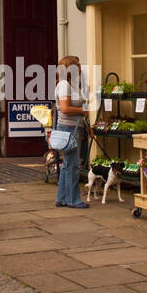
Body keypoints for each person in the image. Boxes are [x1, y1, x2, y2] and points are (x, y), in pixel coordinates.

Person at [51, 54, 91, 209]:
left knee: (68, 165)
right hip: (67, 128)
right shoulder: (64, 85)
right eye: (78, 65)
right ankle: (73, 200)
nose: (80, 68)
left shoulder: (71, 85)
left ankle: (62, 198)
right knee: (73, 165)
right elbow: (66, 109)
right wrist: (82, 111)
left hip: (73, 127)